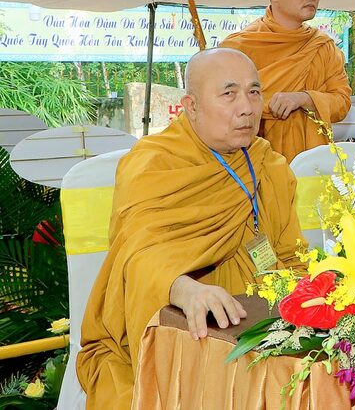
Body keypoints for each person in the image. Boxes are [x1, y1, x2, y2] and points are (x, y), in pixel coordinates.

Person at [77, 49, 304, 410]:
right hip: (183, 329)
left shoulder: (267, 162)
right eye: (229, 94)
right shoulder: (152, 163)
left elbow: (292, 255)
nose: (246, 107)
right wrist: (182, 288)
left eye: (254, 91)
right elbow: (137, 255)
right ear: (191, 105)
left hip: (263, 327)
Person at [221, 0, 351, 162]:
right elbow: (221, 107)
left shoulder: (323, 47)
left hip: (310, 167)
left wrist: (305, 98)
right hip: (253, 162)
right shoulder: (239, 48)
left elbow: (342, 103)